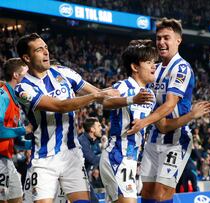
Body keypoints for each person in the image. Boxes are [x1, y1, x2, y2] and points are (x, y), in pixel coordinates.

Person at [14, 32, 142, 203]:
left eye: (45, 47)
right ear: (27, 58)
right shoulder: (23, 88)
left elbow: (101, 95)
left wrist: (132, 99)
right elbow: (60, 106)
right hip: (44, 159)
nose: (46, 52)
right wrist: (96, 97)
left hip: (72, 155)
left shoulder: (63, 73)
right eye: (39, 50)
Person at [100, 39, 210, 203]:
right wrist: (132, 99)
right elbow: (105, 101)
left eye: (154, 62)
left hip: (130, 160)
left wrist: (191, 116)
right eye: (148, 62)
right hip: (117, 156)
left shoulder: (150, 96)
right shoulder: (124, 86)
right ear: (135, 67)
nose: (154, 66)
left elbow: (162, 125)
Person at [125, 18, 196, 203]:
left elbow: (170, 104)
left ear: (178, 40)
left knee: (162, 195)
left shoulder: (181, 68)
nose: (161, 42)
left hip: (176, 140)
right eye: (158, 38)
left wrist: (144, 122)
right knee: (147, 194)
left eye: (167, 38)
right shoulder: (154, 69)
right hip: (154, 138)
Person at [0, 58, 32, 203]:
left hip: (6, 158)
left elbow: (18, 141)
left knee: (17, 199)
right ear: (16, 75)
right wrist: (24, 129)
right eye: (26, 74)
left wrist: (37, 144)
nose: (29, 78)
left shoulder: (16, 102)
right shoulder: (3, 96)